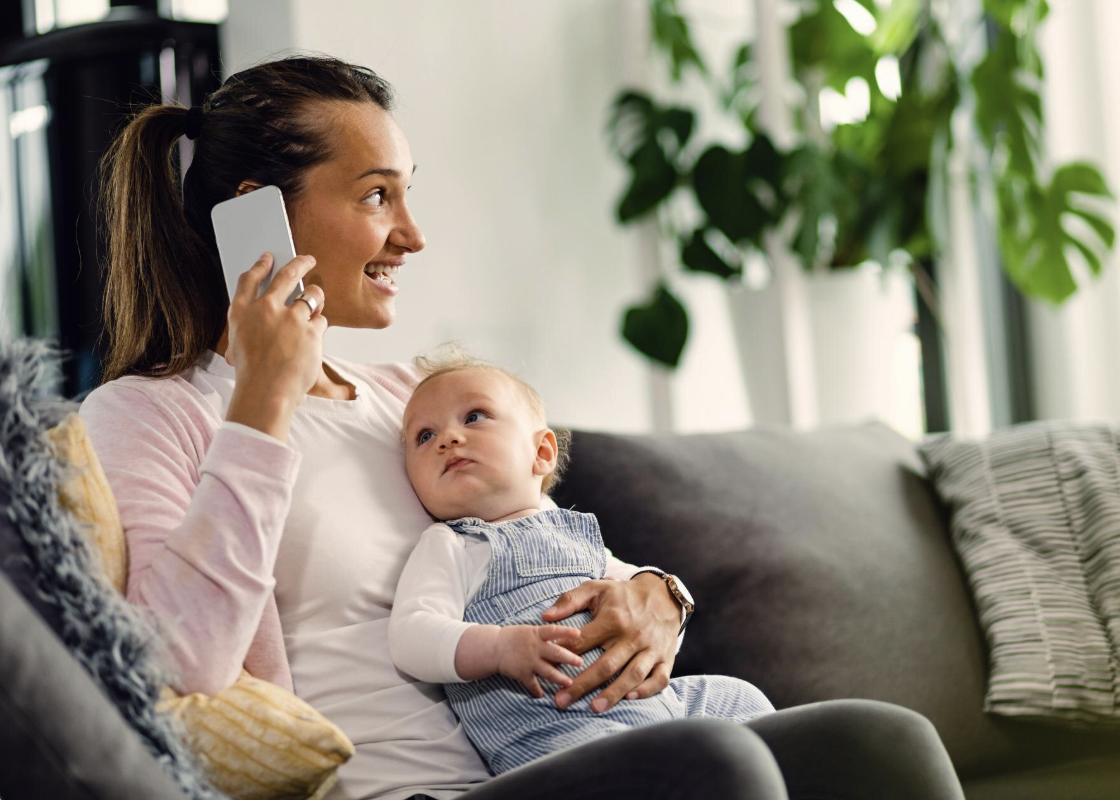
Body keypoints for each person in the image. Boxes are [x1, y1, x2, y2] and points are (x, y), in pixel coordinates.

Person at [79, 54, 967, 800]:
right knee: (713, 765)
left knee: (883, 744)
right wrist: (264, 402)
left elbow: (547, 553)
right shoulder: (152, 414)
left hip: (558, 752)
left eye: (406, 195)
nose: (412, 235)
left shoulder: (414, 400)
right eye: (377, 196)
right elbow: (176, 661)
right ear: (258, 214)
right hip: (413, 794)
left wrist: (657, 594)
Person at [389, 350, 776, 776]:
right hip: (557, 738)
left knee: (741, 699)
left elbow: (653, 611)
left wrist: (664, 608)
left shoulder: (574, 535)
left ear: (541, 452)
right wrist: (498, 647)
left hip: (652, 710)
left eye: (475, 416)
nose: (448, 438)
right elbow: (411, 633)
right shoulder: (451, 544)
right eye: (424, 436)